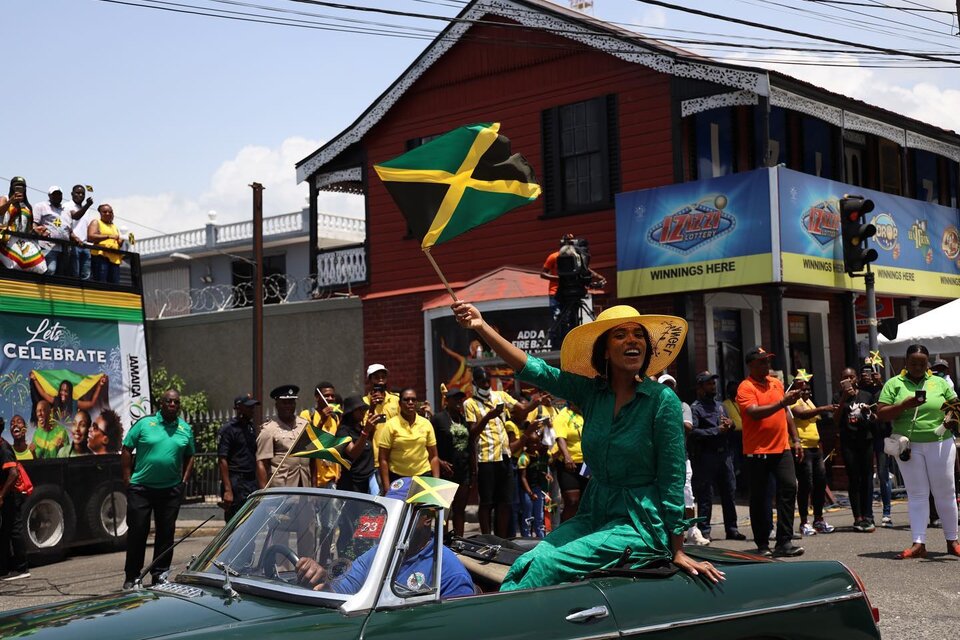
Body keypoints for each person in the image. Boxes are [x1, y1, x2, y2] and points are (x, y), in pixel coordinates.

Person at [452, 300, 723, 590]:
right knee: (529, 560)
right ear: (605, 350)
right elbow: (536, 370)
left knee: (546, 565)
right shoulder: (592, 393)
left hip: (640, 524)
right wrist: (481, 327)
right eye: (620, 335)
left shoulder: (661, 400)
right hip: (594, 512)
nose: (632, 340)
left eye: (638, 334)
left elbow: (672, 478)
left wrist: (677, 548)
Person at [294, 477, 474, 598]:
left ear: (426, 519)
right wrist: (321, 578)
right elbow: (343, 587)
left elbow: (456, 625)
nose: (388, 519)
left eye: (400, 511)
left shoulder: (449, 572)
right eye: (388, 510)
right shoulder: (378, 553)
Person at [877, 344, 959, 559]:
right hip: (909, 445)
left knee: (946, 492)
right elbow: (882, 414)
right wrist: (905, 405)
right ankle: (918, 542)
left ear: (928, 364)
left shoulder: (939, 382)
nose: (917, 367)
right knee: (917, 494)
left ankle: (952, 541)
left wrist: (952, 419)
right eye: (913, 363)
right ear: (905, 362)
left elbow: (955, 406)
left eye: (922, 363)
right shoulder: (894, 384)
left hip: (940, 442)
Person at [121, 389, 196, 589]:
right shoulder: (145, 424)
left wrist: (184, 481)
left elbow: (190, 455)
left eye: (176, 402)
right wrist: (127, 479)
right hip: (141, 489)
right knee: (138, 532)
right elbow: (127, 448)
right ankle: (132, 577)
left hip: (170, 490)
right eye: (169, 401)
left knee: (166, 535)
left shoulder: (185, 429)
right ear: (161, 404)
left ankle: (159, 575)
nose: (173, 405)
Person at [737, 346, 805, 558]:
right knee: (760, 497)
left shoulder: (776, 383)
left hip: (781, 447)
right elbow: (754, 413)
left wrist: (796, 439)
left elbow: (786, 413)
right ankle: (762, 543)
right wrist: (782, 402)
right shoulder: (745, 387)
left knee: (788, 489)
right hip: (758, 451)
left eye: (768, 361)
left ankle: (784, 541)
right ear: (751, 365)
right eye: (762, 362)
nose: (767, 365)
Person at [689, 371, 745, 541]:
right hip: (706, 456)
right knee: (706, 495)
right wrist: (715, 431)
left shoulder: (721, 406)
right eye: (708, 384)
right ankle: (705, 530)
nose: (713, 387)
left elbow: (732, 425)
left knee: (729, 492)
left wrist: (731, 423)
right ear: (700, 388)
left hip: (725, 455)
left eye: (713, 383)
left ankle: (732, 528)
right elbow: (693, 432)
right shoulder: (695, 408)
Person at [463, 365, 518, 537]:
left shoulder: (499, 396)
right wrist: (488, 416)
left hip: (504, 456)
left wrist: (534, 403)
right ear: (475, 382)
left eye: (488, 380)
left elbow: (520, 409)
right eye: (482, 381)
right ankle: (487, 538)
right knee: (487, 502)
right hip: (485, 458)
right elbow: (472, 434)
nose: (486, 384)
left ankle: (500, 538)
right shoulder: (469, 403)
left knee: (505, 501)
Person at [659, 373, 708, 546]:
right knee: (662, 496)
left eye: (671, 385)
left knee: (687, 494)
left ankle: (693, 531)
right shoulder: (653, 406)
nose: (669, 388)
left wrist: (668, 414)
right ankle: (667, 532)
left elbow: (688, 426)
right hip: (659, 459)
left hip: (681, 457)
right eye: (665, 385)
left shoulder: (682, 406)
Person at [789, 375, 836, 536]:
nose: (807, 391)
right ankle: (804, 522)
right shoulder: (794, 402)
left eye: (808, 389)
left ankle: (819, 519)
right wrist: (824, 408)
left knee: (820, 482)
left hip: (816, 448)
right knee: (805, 484)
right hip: (802, 448)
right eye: (803, 389)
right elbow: (802, 415)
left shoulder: (810, 401)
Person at [835, 366, 878, 533]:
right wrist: (844, 398)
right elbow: (836, 420)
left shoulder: (866, 395)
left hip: (865, 440)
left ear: (856, 379)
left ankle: (868, 515)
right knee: (854, 479)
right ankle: (857, 516)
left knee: (867, 478)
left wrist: (869, 413)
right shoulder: (838, 396)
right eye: (845, 377)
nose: (849, 380)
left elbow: (876, 417)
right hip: (848, 442)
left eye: (851, 377)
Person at [376, 387, 441, 491]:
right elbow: (383, 459)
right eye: (406, 400)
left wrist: (436, 483)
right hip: (398, 479)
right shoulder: (390, 425)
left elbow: (433, 456)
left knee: (423, 507)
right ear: (399, 403)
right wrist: (387, 488)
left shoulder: (426, 424)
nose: (410, 402)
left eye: (413, 400)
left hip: (423, 477)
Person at [431, 388, 473, 536]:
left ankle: (458, 541)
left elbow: (470, 445)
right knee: (444, 510)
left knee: (460, 510)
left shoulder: (464, 420)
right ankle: (441, 544)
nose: (458, 402)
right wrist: (440, 462)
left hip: (463, 471)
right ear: (447, 401)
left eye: (460, 399)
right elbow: (430, 445)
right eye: (455, 399)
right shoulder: (438, 419)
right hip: (445, 471)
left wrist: (473, 472)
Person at [256, 385, 312, 489]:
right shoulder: (269, 430)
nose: (288, 406)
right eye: (284, 403)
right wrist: (263, 493)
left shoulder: (305, 425)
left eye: (291, 402)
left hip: (305, 487)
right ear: (277, 405)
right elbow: (262, 463)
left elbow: (312, 458)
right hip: (282, 488)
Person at [217, 394, 260, 522]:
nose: (252, 410)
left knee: (250, 522)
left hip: (251, 481)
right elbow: (222, 459)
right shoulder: (229, 429)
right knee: (235, 523)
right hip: (236, 481)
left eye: (253, 407)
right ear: (239, 408)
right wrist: (228, 490)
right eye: (249, 407)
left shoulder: (250, 428)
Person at [0, 417, 29, 581]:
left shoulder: (4, 448)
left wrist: (2, 495)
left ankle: (22, 568)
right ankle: (5, 568)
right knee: (5, 532)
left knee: (14, 530)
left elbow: (13, 474)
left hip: (11, 494)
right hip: (6, 494)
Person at [300, 382, 342, 489]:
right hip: (314, 478)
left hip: (331, 478)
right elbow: (308, 443)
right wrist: (321, 421)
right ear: (317, 397)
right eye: (326, 395)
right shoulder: (307, 415)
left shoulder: (334, 418)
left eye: (332, 396)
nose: (330, 398)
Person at [866, 367, 894, 527]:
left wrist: (881, 383)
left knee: (883, 475)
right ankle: (867, 514)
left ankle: (887, 513)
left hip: (882, 437)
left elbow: (892, 404)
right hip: (864, 439)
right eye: (865, 373)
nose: (868, 376)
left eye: (871, 373)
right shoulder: (860, 392)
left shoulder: (884, 389)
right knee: (867, 477)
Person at [336, 395, 380, 494]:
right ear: (351, 412)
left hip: (368, 480)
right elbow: (353, 453)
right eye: (359, 410)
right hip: (352, 485)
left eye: (364, 409)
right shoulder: (343, 431)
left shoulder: (360, 428)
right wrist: (365, 433)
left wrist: (372, 408)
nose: (363, 412)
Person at [552, 402, 587, 522]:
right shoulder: (563, 416)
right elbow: (560, 438)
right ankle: (563, 534)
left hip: (588, 465)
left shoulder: (585, 414)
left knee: (587, 502)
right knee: (572, 501)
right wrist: (567, 456)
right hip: (569, 465)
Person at [32, 186, 78, 275]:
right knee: (50, 270)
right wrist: (40, 231)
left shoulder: (66, 210)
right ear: (49, 196)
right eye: (54, 194)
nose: (57, 196)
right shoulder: (41, 206)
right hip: (48, 246)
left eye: (59, 194)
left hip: (64, 248)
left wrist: (76, 238)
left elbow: (69, 230)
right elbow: (34, 224)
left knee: (61, 273)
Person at [30, 374, 107, 425]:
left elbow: (91, 403)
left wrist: (100, 385)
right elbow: (43, 393)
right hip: (55, 437)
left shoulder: (75, 403)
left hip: (70, 436)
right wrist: (35, 379)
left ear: (70, 393)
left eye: (66, 391)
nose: (62, 393)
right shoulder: (55, 400)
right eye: (61, 390)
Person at [518, 427, 551, 538]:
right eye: (532, 443)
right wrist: (530, 493)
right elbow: (523, 477)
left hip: (537, 488)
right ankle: (526, 536)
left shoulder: (536, 455)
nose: (535, 446)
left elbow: (536, 469)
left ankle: (540, 536)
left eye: (537, 443)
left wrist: (545, 474)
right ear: (527, 443)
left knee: (539, 514)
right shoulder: (524, 458)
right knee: (527, 514)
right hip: (528, 490)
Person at [88, 204, 123, 283]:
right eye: (105, 212)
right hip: (101, 256)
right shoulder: (96, 222)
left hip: (114, 257)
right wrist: (108, 236)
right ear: (100, 213)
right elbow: (90, 237)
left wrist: (123, 239)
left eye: (110, 212)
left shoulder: (113, 226)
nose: (108, 214)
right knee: (101, 282)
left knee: (114, 284)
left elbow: (118, 242)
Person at [66, 185, 95, 279]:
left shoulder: (86, 209)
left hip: (85, 245)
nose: (80, 195)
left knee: (86, 275)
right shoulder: (67, 206)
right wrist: (87, 205)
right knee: (75, 273)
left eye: (83, 193)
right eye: (78, 193)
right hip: (74, 244)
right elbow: (76, 216)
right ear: (72, 194)